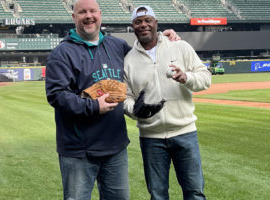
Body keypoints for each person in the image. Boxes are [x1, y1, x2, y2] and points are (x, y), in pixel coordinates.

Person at [45, 0, 179, 199]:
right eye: (82, 12)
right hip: (79, 150)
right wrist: (93, 106)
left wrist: (161, 38)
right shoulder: (62, 53)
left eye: (92, 11)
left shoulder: (117, 46)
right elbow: (57, 95)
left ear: (100, 15)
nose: (88, 16)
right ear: (74, 17)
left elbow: (143, 56)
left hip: (115, 147)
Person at [124, 6, 211, 200]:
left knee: (194, 192)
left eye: (148, 20)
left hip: (185, 132)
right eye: (138, 22)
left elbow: (205, 78)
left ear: (156, 23)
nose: (143, 24)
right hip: (151, 137)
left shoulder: (179, 47)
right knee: (157, 195)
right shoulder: (129, 59)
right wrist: (134, 110)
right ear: (133, 26)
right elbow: (126, 96)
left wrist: (186, 77)